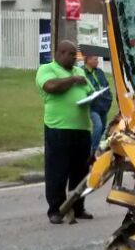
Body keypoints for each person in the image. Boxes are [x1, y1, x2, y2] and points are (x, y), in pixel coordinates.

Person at [36, 40, 94, 224]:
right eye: (71, 55)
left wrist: (93, 96)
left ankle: (78, 207)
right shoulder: (47, 69)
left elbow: (90, 90)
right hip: (58, 129)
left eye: (75, 55)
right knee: (57, 171)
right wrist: (73, 80)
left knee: (80, 172)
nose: (74, 59)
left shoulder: (79, 70)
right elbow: (51, 87)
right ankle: (56, 209)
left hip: (82, 129)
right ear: (60, 53)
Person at [82, 53, 113, 158]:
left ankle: (92, 147)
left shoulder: (99, 72)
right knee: (98, 126)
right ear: (88, 60)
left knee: (104, 128)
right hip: (92, 105)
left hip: (103, 105)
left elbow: (106, 85)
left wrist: (109, 98)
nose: (97, 61)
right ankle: (93, 150)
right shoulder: (82, 72)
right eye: (95, 59)